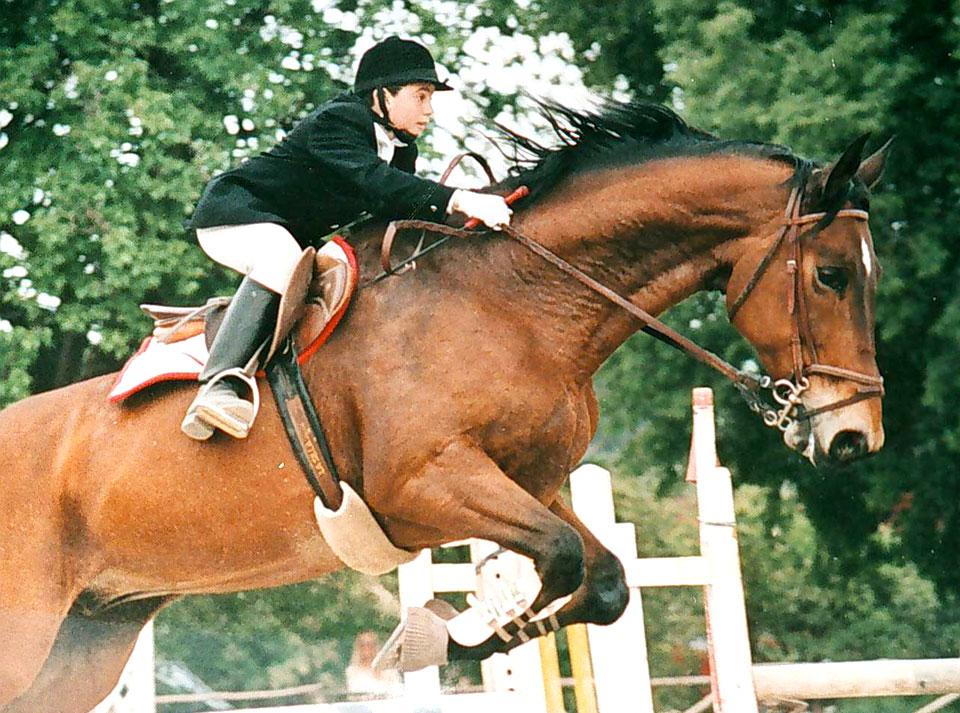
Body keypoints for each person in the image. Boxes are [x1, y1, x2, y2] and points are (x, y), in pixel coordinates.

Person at [181, 36, 512, 441]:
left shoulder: (401, 149)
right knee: (282, 259)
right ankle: (218, 385)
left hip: (290, 233)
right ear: (382, 95)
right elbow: (376, 181)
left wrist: (467, 222)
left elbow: (399, 210)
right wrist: (459, 199)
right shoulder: (338, 121)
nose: (429, 110)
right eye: (421, 96)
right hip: (235, 215)